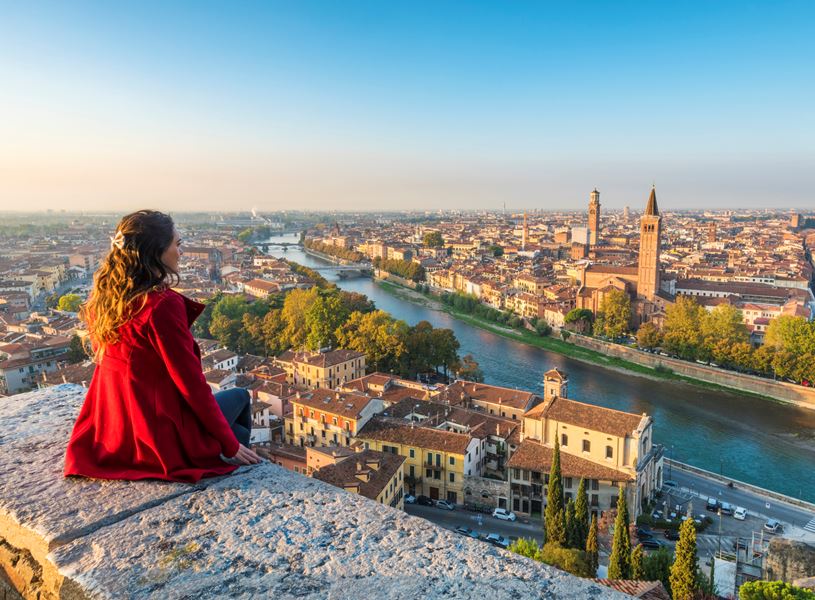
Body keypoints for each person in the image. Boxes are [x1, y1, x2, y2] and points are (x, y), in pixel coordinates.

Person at [64, 210, 261, 483]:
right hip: (157, 439)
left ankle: (235, 451)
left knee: (231, 425)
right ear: (157, 251)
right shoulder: (161, 305)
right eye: (177, 244)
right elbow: (190, 384)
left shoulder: (106, 299)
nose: (181, 252)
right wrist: (229, 444)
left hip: (114, 433)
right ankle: (239, 457)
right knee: (240, 397)